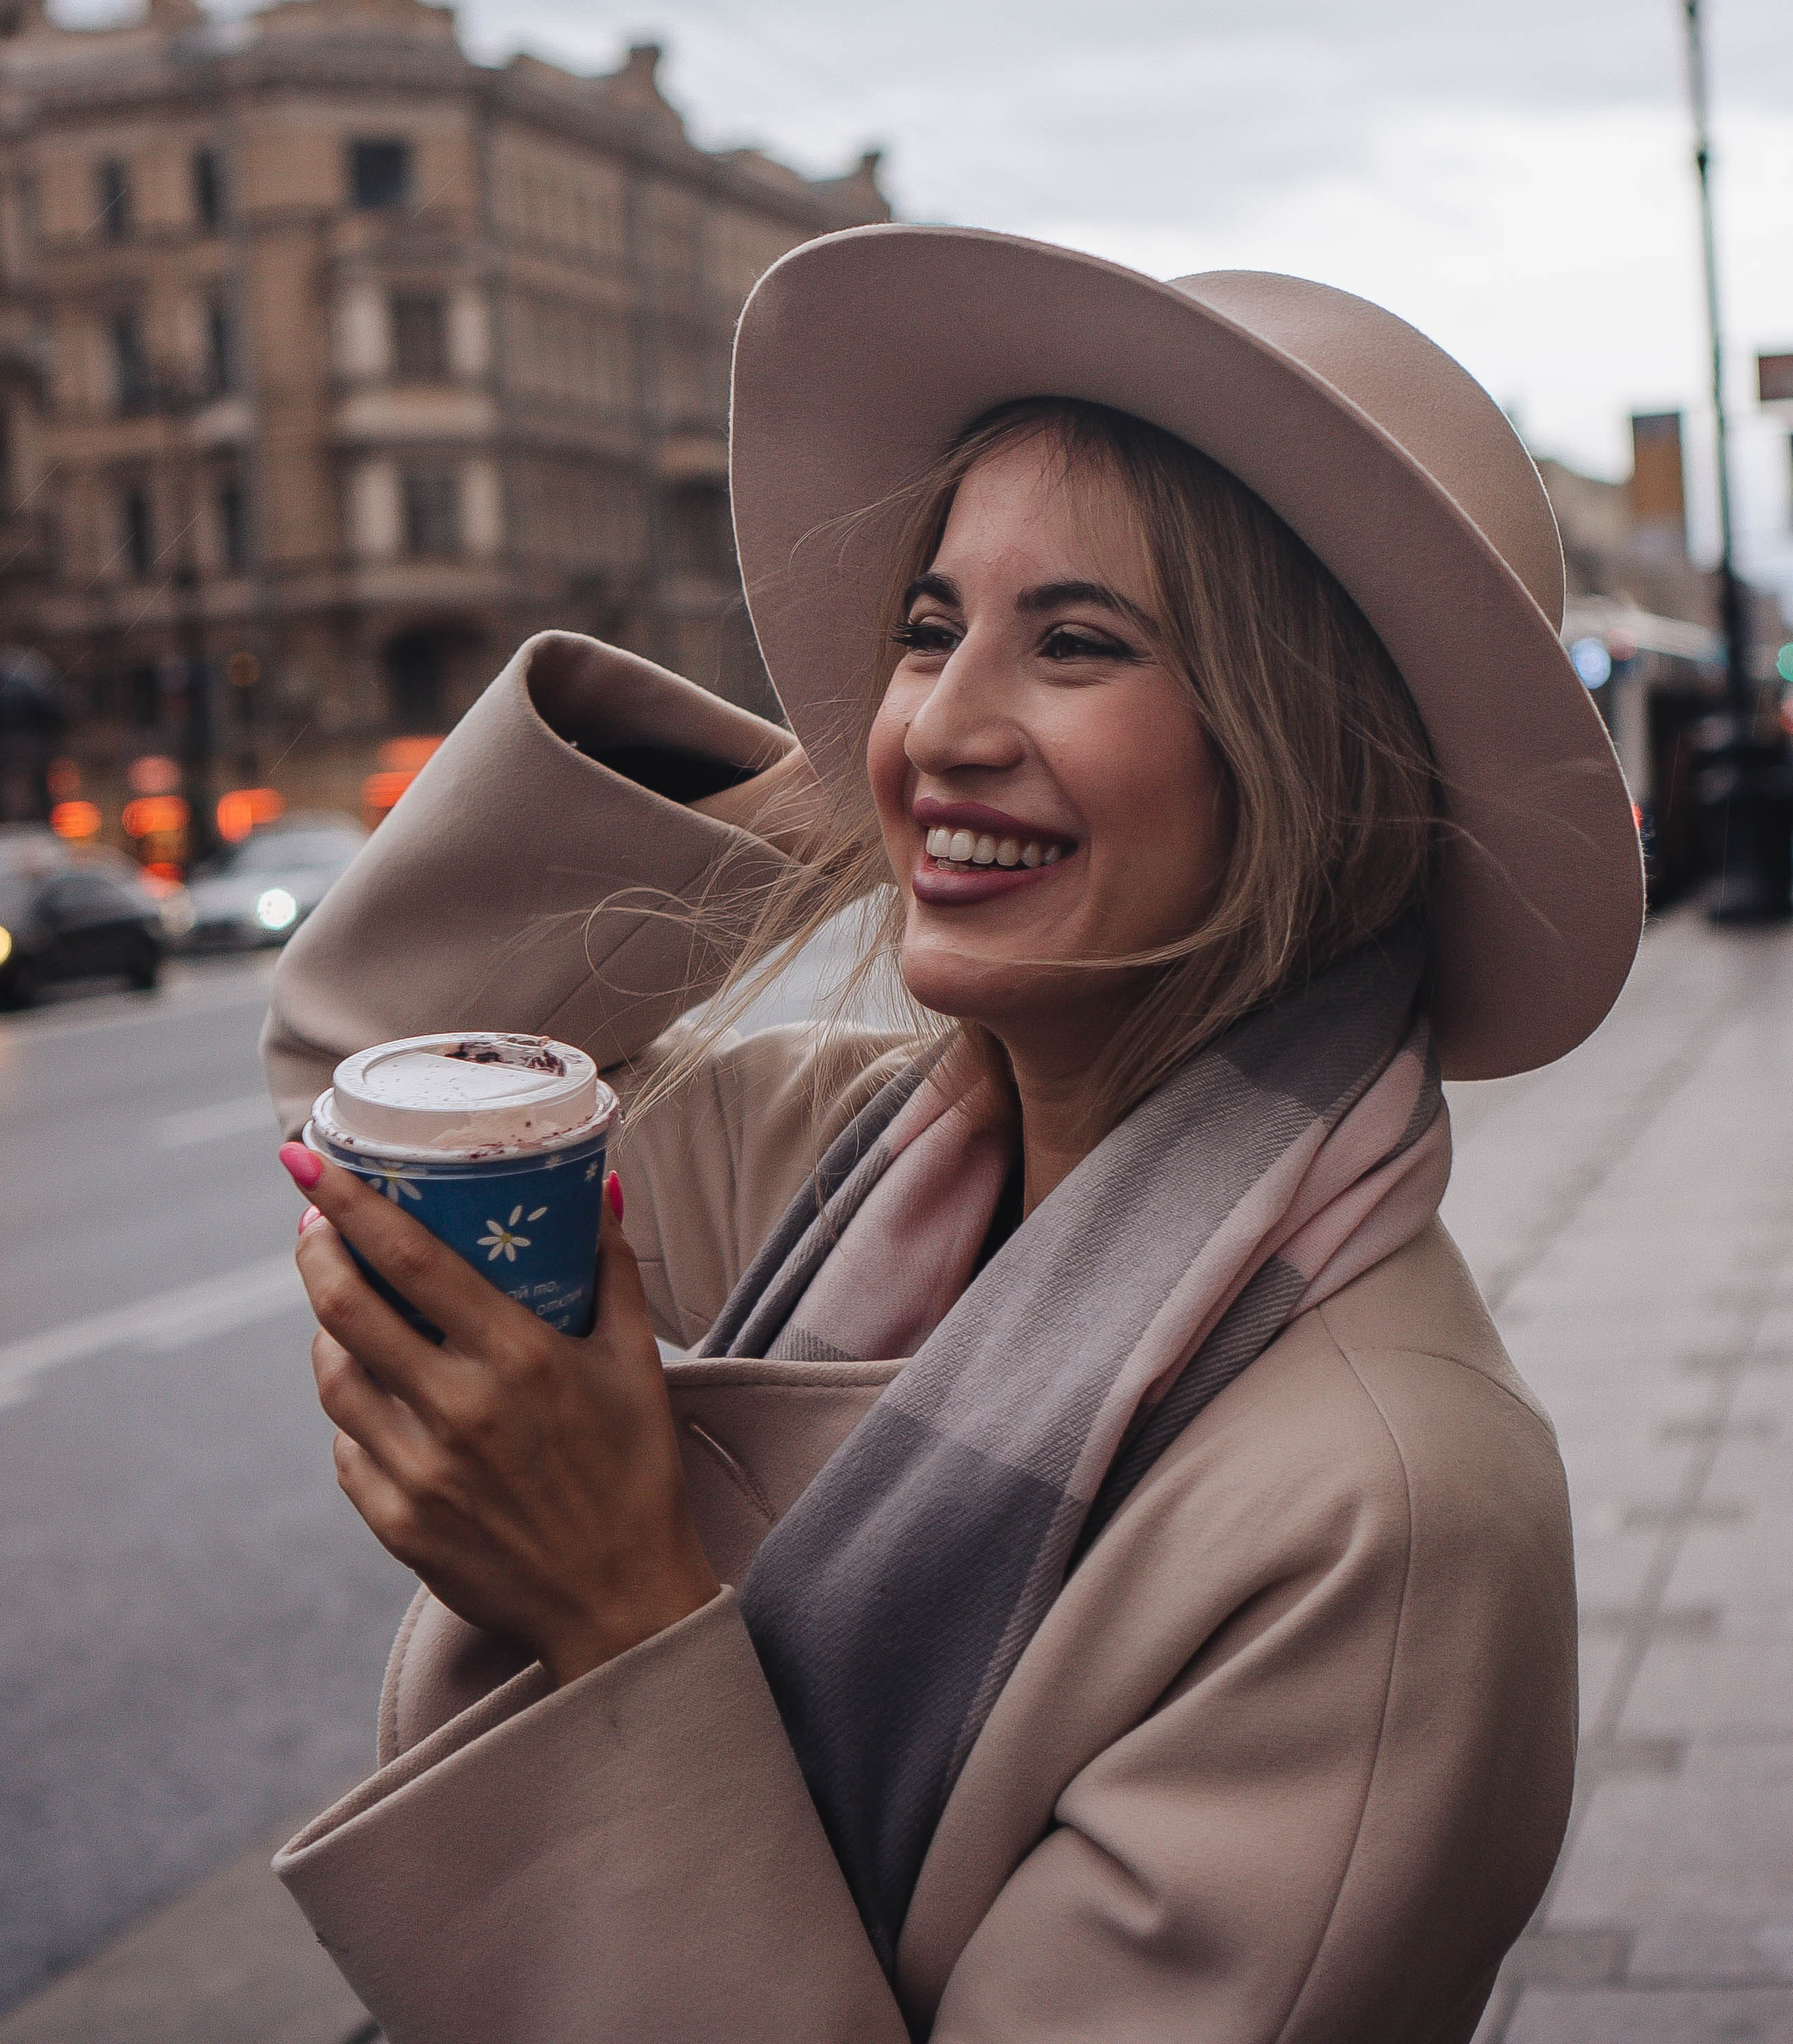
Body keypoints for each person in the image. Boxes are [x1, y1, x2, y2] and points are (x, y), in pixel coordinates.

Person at [262, 226, 1642, 2044]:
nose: (936, 722)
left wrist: (614, 1613)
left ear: (1311, 754)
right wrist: (856, 781)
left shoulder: (1392, 1519)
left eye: (1078, 641)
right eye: (926, 630)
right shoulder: (825, 1151)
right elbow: (375, 1076)